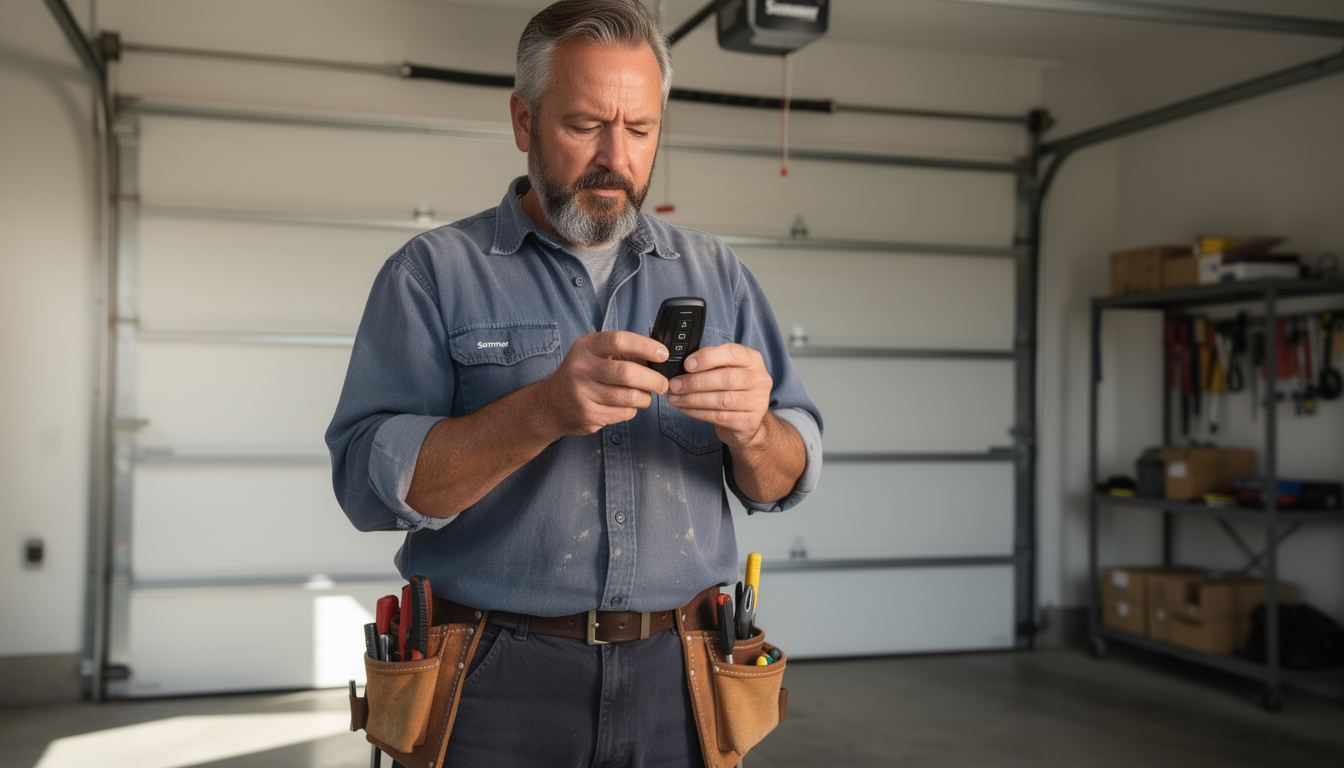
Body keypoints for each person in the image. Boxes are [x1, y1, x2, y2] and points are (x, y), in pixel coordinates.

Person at [325, 1, 822, 765]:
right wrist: (541, 410)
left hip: (683, 672)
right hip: (490, 679)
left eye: (641, 129)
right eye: (585, 125)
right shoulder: (432, 275)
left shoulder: (719, 274)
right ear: (524, 121)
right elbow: (367, 486)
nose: (615, 157)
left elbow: (783, 478)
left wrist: (755, 431)